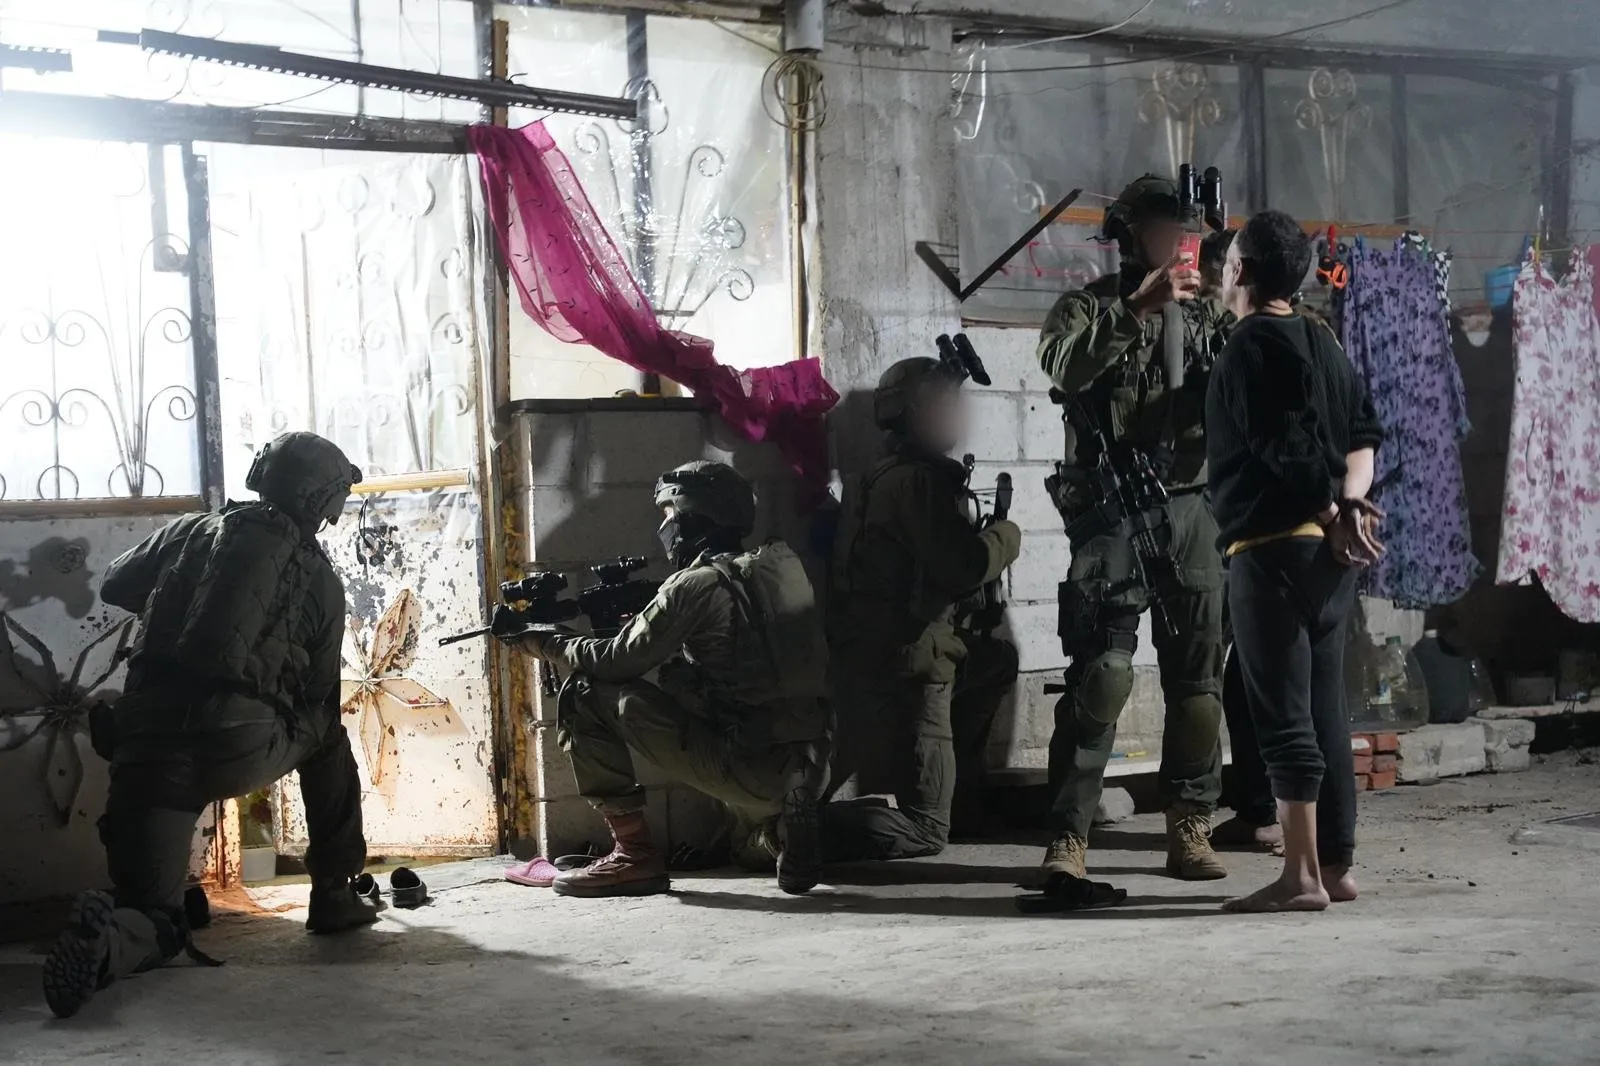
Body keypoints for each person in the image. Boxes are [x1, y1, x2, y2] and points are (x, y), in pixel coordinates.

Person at [43, 431, 374, 1020]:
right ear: (322, 501)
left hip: (147, 746)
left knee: (154, 911)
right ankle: (334, 894)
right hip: (239, 746)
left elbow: (116, 584)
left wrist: (181, 590)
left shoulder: (191, 530)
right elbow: (320, 691)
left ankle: (117, 937)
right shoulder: (321, 579)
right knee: (325, 733)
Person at [1036, 174, 1233, 883]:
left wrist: (1228, 294)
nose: (1172, 243)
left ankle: (1190, 824)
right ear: (1126, 237)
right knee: (1103, 676)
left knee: (1199, 685)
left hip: (1191, 509)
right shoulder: (1087, 307)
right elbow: (1063, 366)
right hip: (1113, 512)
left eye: (1182, 232)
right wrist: (1134, 309)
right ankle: (1070, 835)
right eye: (1157, 230)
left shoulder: (1210, 316)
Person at [513, 461, 829, 897]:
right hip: (813, 759)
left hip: (750, 764)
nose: (665, 527)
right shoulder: (781, 565)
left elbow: (617, 661)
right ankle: (784, 833)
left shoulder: (694, 585)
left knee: (585, 691)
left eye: (669, 515)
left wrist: (547, 642)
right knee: (744, 849)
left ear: (692, 517)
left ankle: (634, 855)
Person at [1205, 210, 1385, 912]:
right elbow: (1364, 435)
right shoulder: (1322, 339)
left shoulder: (1248, 346)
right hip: (1329, 562)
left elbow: (1285, 448)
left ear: (1241, 271)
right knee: (1325, 711)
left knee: (1283, 717)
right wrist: (1350, 508)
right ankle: (1337, 866)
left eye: (1227, 262)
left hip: (1271, 552)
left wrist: (1330, 513)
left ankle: (1300, 876)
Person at [824, 357, 1022, 860]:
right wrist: (1005, 536)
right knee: (928, 831)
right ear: (913, 414)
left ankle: (962, 791)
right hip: (915, 661)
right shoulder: (918, 483)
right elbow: (962, 567)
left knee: (995, 661)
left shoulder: (874, 476)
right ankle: (808, 828)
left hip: (869, 653)